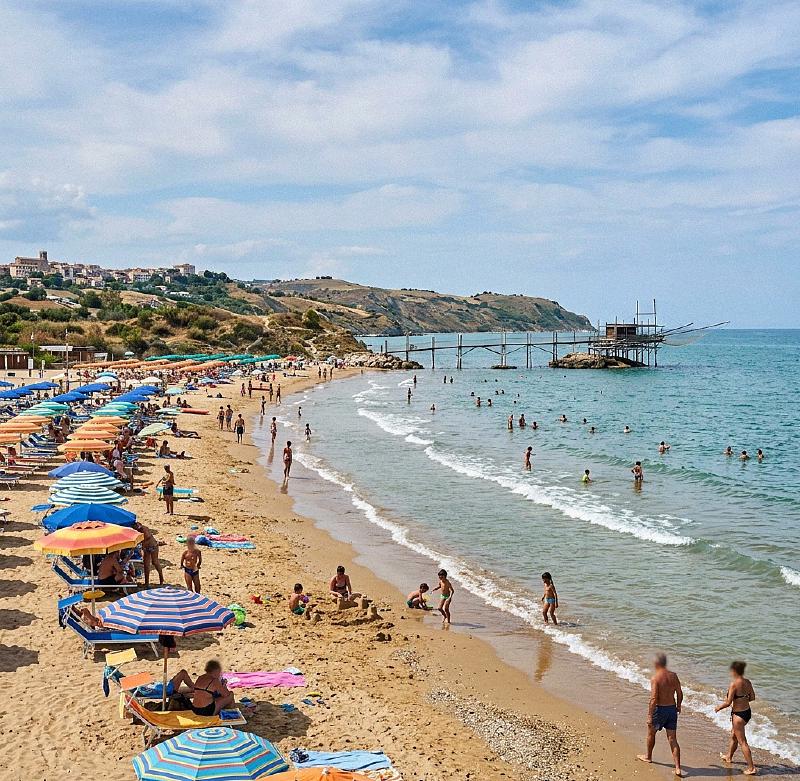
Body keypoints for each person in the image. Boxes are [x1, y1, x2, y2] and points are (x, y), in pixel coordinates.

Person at [637, 653, 684, 777]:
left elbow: (653, 699)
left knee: (651, 733)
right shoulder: (674, 676)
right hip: (672, 710)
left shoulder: (655, 678)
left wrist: (649, 715)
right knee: (673, 739)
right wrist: (678, 705)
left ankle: (648, 756)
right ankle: (678, 768)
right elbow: (680, 692)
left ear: (657, 664)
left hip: (660, 710)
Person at [715, 661, 757, 775]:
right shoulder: (748, 682)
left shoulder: (734, 684)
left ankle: (751, 768)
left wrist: (718, 707)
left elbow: (728, 702)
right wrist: (743, 699)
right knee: (734, 736)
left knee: (742, 742)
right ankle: (729, 756)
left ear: (734, 671)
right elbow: (752, 697)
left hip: (738, 716)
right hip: (747, 713)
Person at [170, 660, 235, 716]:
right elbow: (226, 695)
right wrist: (223, 685)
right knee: (231, 695)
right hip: (206, 712)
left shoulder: (200, 677)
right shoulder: (214, 680)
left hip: (195, 709)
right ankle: (232, 715)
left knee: (214, 698)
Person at [134, 521, 163, 587]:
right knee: (146, 565)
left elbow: (145, 539)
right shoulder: (139, 530)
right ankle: (146, 583)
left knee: (155, 562)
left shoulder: (144, 529)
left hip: (153, 546)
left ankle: (161, 579)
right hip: (146, 548)